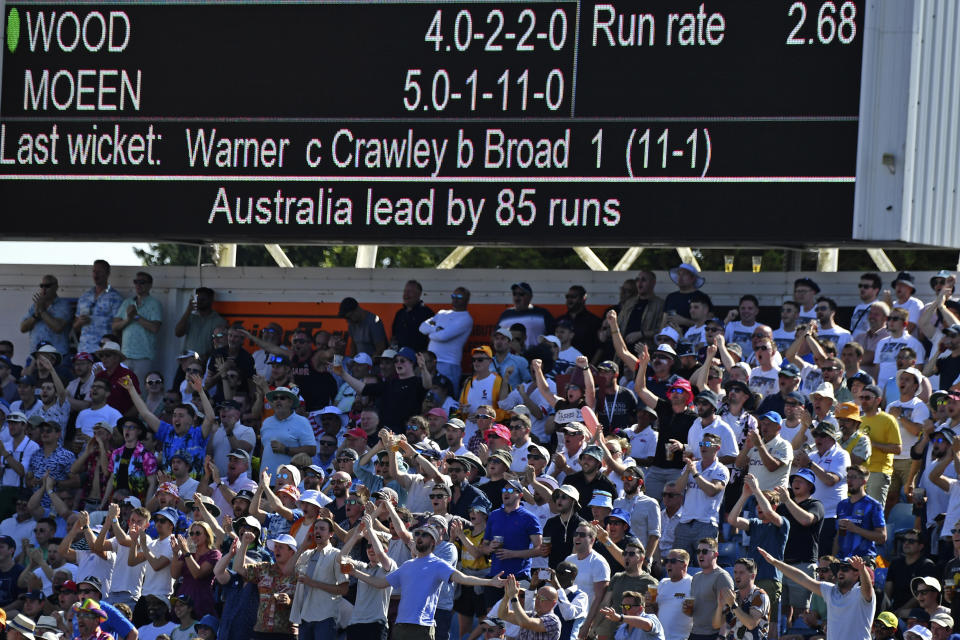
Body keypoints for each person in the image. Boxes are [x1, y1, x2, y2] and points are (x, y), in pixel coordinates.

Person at [352, 521, 507, 640]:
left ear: (433, 542)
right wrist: (355, 572)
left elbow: (463, 578)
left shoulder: (438, 564)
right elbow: (380, 584)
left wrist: (489, 582)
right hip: (400, 627)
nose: (419, 536)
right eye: (417, 533)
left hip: (423, 628)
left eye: (424, 534)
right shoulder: (407, 565)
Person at [758, 550, 874, 640]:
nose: (840, 572)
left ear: (856, 574)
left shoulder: (861, 593)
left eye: (845, 569)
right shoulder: (831, 591)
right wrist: (775, 562)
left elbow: (868, 588)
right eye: (838, 568)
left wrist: (862, 569)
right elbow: (802, 578)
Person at [727, 476, 789, 638]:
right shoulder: (754, 523)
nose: (759, 506)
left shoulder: (782, 523)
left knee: (770, 622)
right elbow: (732, 520)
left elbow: (768, 512)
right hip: (750, 580)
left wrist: (756, 489)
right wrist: (744, 496)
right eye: (757, 503)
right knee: (744, 619)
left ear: (775, 506)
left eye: (765, 502)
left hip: (770, 578)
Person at [775, 469, 824, 628]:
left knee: (801, 611)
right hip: (783, 563)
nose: (795, 483)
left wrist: (788, 501)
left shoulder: (815, 504)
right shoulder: (783, 507)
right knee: (782, 610)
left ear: (810, 486)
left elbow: (806, 520)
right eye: (794, 480)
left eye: (800, 481)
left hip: (803, 564)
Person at [794, 419, 850, 555]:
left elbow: (830, 480)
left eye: (822, 436)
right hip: (811, 514)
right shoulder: (812, 455)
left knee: (827, 557)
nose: (818, 438)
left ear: (832, 438)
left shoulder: (841, 454)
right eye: (816, 435)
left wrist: (810, 464)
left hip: (831, 515)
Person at [675, 434, 728, 556]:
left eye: (707, 444)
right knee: (678, 563)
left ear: (717, 448)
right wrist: (688, 471)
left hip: (706, 523)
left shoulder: (721, 469)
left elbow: (712, 490)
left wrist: (694, 473)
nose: (703, 447)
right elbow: (678, 489)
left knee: (705, 565)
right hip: (685, 522)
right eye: (701, 444)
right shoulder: (693, 465)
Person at [111, 272, 163, 383]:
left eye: (142, 282)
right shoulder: (127, 302)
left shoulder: (155, 304)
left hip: (144, 356)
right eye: (136, 282)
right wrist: (128, 320)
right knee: (123, 390)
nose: (138, 285)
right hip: (125, 355)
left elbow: (155, 328)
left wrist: (136, 317)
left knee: (140, 391)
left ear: (150, 285)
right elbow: (114, 326)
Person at [420, 287, 474, 392]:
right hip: (430, 363)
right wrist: (436, 329)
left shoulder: (466, 318)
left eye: (459, 297)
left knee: (447, 396)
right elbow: (422, 327)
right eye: (453, 296)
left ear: (467, 299)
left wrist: (430, 333)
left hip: (449, 364)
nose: (455, 299)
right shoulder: (442, 313)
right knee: (428, 397)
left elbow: (443, 336)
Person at [259, 386, 317, 476]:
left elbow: (312, 450)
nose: (278, 401)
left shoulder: (302, 422)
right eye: (275, 398)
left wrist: (285, 450)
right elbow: (264, 450)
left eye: (282, 398)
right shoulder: (266, 422)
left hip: (289, 482)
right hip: (265, 481)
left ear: (290, 402)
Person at [565, 522, 610, 639]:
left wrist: (587, 625)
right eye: (576, 534)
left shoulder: (599, 563)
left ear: (592, 540)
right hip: (567, 618)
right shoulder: (569, 559)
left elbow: (600, 598)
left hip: (584, 622)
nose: (577, 537)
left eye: (582, 535)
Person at [73, 260, 124, 354]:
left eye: (99, 271)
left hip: (105, 351)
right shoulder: (85, 297)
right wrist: (80, 322)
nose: (96, 274)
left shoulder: (115, 297)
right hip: (84, 350)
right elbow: (74, 327)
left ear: (107, 273)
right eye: (94, 271)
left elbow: (118, 328)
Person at [688, 539, 735, 640]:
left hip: (713, 635)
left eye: (705, 552)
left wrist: (721, 636)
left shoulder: (722, 577)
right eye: (698, 551)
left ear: (715, 554)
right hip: (694, 633)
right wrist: (688, 609)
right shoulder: (696, 577)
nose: (700, 555)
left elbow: (728, 613)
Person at [713, 558, 769, 640]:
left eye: (741, 573)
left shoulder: (760, 595)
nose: (737, 576)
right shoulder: (734, 595)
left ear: (752, 576)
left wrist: (733, 604)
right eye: (735, 572)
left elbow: (751, 624)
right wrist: (720, 606)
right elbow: (717, 625)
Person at [20, 275, 73, 356]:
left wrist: (42, 311)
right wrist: (35, 316)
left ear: (56, 287)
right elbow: (23, 328)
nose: (44, 289)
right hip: (36, 356)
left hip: (58, 357)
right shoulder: (35, 306)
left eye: (47, 286)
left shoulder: (63, 305)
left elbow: (58, 327)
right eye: (42, 286)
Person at [174, 287, 225, 363]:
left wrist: (205, 357)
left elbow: (221, 345)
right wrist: (188, 311)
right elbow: (178, 333)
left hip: (205, 362)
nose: (199, 302)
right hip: (187, 361)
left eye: (203, 299)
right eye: (198, 299)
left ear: (211, 300)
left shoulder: (218, 321)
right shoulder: (191, 317)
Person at [498, 283, 555, 349]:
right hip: (511, 357)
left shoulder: (541, 313)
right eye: (514, 294)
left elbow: (553, 337)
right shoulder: (505, 315)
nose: (517, 297)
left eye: (521, 294)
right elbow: (496, 336)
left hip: (535, 356)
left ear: (530, 296)